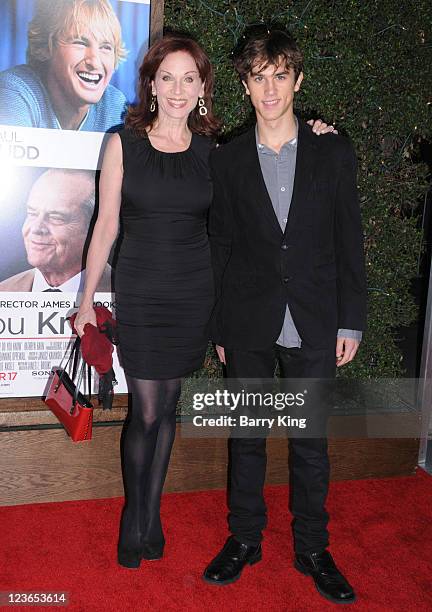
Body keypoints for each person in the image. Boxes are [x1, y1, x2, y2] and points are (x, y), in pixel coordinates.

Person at [74, 31, 333, 570]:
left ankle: (153, 513)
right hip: (143, 290)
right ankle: (136, 515)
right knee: (145, 410)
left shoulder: (216, 153)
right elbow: (105, 226)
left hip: (195, 292)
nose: (177, 88)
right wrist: (84, 298)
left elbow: (260, 181)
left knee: (167, 409)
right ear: (151, 83)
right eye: (166, 77)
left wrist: (316, 131)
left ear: (202, 88)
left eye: (188, 78)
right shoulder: (123, 143)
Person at [203, 26, 367, 605]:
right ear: (245, 87)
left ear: (297, 80)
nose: (269, 89)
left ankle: (313, 548)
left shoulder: (333, 150)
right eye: (257, 77)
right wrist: (219, 326)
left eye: (279, 75)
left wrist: (352, 319)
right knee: (245, 437)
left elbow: (350, 238)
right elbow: (221, 247)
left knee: (310, 441)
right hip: (247, 319)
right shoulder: (226, 161)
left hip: (317, 317)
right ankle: (245, 538)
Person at [0, 0, 127, 132]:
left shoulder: (114, 106)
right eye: (80, 43)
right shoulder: (14, 91)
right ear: (45, 47)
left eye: (105, 47)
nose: (94, 62)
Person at [0, 168, 112, 292]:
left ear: (95, 229)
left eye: (56, 217)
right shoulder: (4, 290)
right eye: (32, 213)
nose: (36, 228)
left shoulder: (125, 293)